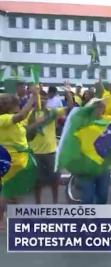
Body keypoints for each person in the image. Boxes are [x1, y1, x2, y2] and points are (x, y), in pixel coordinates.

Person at [27, 84, 74, 204]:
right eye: (39, 97)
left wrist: (68, 92)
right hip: (35, 153)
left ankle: (55, 203)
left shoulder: (51, 112)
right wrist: (37, 123)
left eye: (44, 98)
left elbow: (69, 107)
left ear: (47, 99)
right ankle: (38, 204)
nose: (41, 100)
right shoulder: (28, 114)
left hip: (51, 152)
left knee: (55, 180)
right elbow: (26, 131)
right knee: (37, 182)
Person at [0, 87, 39, 230]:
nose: (19, 107)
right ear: (9, 108)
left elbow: (24, 119)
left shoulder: (11, 121)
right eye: (16, 105)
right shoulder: (3, 119)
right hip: (11, 160)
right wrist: (33, 97)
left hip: (20, 159)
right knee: (8, 190)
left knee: (14, 190)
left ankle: (19, 216)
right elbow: (22, 115)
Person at [78, 99, 111, 204]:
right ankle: (85, 219)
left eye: (100, 107)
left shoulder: (109, 121)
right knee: (87, 198)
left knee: (102, 196)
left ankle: (99, 218)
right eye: (95, 107)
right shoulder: (82, 123)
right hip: (86, 165)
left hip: (104, 165)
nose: (98, 110)